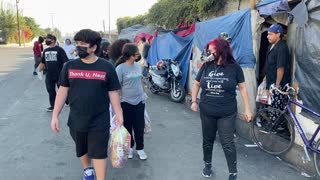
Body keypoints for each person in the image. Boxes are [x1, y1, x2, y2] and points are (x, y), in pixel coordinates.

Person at [50, 29, 123, 180]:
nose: (79, 47)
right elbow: (63, 91)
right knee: (81, 149)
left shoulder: (106, 67)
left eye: (83, 44)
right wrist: (55, 115)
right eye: (77, 44)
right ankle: (87, 170)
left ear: (94, 47)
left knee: (98, 151)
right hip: (77, 119)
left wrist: (119, 114)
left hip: (99, 119)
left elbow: (113, 92)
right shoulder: (69, 67)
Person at [190, 38, 252, 179]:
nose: (210, 53)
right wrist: (194, 101)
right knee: (208, 140)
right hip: (207, 111)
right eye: (209, 50)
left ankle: (233, 173)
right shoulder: (206, 66)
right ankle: (207, 165)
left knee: (227, 142)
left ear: (222, 50)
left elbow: (242, 88)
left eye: (213, 50)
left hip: (227, 112)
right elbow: (196, 83)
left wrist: (247, 109)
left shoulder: (234, 67)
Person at [115, 43, 147, 160]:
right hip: (126, 102)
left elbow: (141, 81)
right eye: (136, 53)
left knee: (139, 126)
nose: (138, 55)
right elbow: (117, 88)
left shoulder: (138, 66)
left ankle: (140, 149)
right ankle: (129, 148)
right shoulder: (120, 68)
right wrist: (117, 105)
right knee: (127, 127)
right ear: (130, 55)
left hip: (139, 101)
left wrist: (144, 96)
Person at [38, 34, 68, 112]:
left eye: (48, 39)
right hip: (49, 74)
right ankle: (53, 106)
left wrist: (65, 73)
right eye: (46, 39)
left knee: (62, 90)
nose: (46, 40)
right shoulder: (45, 50)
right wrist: (39, 70)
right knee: (50, 90)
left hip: (59, 74)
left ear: (53, 40)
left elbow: (65, 62)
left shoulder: (59, 50)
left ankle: (67, 100)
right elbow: (43, 62)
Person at [265, 24, 291, 111]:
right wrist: (265, 77)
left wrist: (277, 86)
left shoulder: (282, 48)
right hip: (271, 81)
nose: (268, 36)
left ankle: (277, 124)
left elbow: (280, 68)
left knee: (277, 109)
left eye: (270, 34)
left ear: (278, 34)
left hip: (279, 84)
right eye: (268, 34)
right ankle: (272, 122)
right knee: (271, 105)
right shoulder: (271, 46)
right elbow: (269, 64)